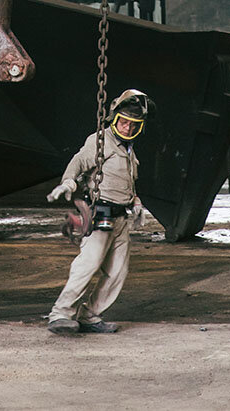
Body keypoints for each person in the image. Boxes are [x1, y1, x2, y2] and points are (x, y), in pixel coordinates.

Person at [45, 89, 152, 335]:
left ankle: (90, 316)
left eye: (132, 124)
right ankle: (61, 313)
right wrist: (69, 181)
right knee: (89, 263)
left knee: (117, 272)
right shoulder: (100, 140)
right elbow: (80, 160)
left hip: (122, 218)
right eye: (123, 122)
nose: (126, 128)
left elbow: (127, 182)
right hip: (100, 213)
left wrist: (136, 204)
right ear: (114, 120)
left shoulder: (128, 150)